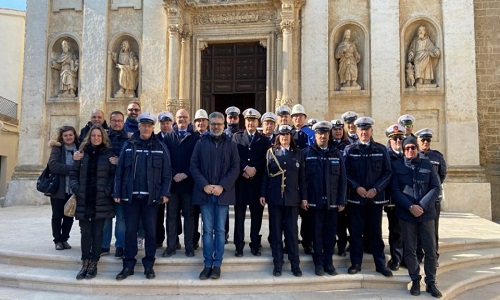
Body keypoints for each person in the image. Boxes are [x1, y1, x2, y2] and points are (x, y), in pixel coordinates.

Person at [114, 112, 172, 280]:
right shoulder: (129, 145)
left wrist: (165, 193)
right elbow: (120, 171)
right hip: (130, 197)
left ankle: (148, 266)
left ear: (153, 127)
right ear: (138, 126)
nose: (146, 128)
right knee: (130, 232)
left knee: (151, 233)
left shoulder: (160, 146)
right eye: (143, 125)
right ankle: (128, 265)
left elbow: (167, 173)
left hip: (151, 199)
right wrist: (117, 192)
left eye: (149, 126)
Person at [191, 112, 239, 280]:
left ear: (224, 125)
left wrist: (222, 186)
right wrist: (205, 184)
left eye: (219, 124)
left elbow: (235, 168)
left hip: (222, 194)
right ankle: (207, 264)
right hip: (205, 194)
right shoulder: (200, 143)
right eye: (213, 124)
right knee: (206, 230)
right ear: (208, 125)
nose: (216, 127)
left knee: (219, 231)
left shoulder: (231, 144)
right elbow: (194, 166)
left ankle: (217, 264)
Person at [391, 136, 442, 297]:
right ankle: (415, 279)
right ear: (403, 150)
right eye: (407, 148)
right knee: (410, 249)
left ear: (417, 149)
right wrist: (410, 206)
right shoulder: (397, 166)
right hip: (407, 214)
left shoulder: (428, 165)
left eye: (413, 148)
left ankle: (431, 282)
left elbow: (436, 187)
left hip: (426, 214)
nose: (410, 151)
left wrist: (421, 206)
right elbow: (395, 190)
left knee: (430, 250)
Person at [343, 117, 393, 277]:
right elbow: (345, 173)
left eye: (366, 129)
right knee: (356, 233)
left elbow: (388, 172)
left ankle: (380, 264)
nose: (364, 132)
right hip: (356, 199)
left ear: (371, 131)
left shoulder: (380, 149)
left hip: (374, 199)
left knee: (375, 233)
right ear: (357, 131)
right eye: (361, 130)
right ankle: (355, 263)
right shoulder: (350, 150)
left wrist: (376, 189)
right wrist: (356, 187)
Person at [260, 125, 307, 277]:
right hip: (275, 199)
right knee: (275, 233)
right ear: (278, 136)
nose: (285, 137)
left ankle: (295, 264)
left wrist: (304, 197)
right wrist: (263, 194)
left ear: (291, 137)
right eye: (282, 135)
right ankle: (278, 264)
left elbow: (302, 178)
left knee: (292, 234)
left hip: (293, 199)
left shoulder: (298, 153)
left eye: (287, 135)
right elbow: (266, 176)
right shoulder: (271, 153)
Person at [70, 125, 116, 280]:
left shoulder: (109, 154)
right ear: (89, 137)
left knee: (97, 234)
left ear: (103, 137)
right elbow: (73, 173)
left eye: (99, 136)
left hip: (101, 200)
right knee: (85, 233)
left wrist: (107, 191)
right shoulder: (81, 154)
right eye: (93, 136)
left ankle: (94, 263)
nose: (96, 138)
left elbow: (113, 176)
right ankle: (85, 262)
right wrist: (76, 188)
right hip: (84, 199)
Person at [303, 121, 347, 276]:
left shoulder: (336, 154)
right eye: (320, 133)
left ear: (328, 135)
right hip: (314, 203)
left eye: (325, 133)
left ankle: (329, 263)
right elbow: (302, 180)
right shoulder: (307, 153)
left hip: (332, 202)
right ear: (315, 135)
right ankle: (318, 264)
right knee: (316, 235)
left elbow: (343, 179)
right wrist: (304, 198)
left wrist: (341, 200)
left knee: (330, 234)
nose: (322, 136)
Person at [233, 108, 270, 257]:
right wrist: (245, 168)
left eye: (253, 120)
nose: (250, 123)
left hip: (256, 184)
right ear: (245, 122)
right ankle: (239, 246)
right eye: (248, 120)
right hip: (241, 183)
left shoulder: (264, 140)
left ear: (257, 122)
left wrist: (254, 168)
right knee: (239, 217)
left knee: (256, 217)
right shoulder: (236, 137)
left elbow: (265, 159)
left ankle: (255, 244)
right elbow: (234, 156)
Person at [163, 109, 200, 258]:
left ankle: (189, 246)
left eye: (184, 117)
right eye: (179, 117)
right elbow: (165, 159)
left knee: (190, 216)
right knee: (171, 216)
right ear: (175, 120)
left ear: (189, 119)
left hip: (188, 184)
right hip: (172, 184)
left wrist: (185, 173)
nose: (182, 119)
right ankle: (171, 245)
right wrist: (173, 174)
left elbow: (197, 160)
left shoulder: (196, 137)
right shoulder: (168, 137)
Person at [415, 128, 447, 266]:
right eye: (423, 140)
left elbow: (442, 175)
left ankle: (434, 255)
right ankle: (418, 255)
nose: (426, 142)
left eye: (428, 140)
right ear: (418, 141)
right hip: (418, 199)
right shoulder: (413, 155)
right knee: (416, 229)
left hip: (433, 200)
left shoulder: (437, 157)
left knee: (433, 229)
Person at [101, 111, 129, 258]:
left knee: (121, 216)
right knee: (106, 215)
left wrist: (120, 162)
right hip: (106, 181)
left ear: (123, 122)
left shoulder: (130, 138)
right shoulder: (103, 137)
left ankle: (120, 246)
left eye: (119, 121)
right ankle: (104, 245)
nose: (117, 123)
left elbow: (132, 159)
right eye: (114, 121)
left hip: (123, 182)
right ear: (110, 122)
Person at [47, 125, 79, 251]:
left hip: (73, 189)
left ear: (74, 135)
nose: (68, 137)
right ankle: (57, 240)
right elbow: (53, 165)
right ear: (62, 137)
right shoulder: (57, 148)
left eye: (70, 135)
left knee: (69, 215)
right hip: (59, 189)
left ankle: (65, 238)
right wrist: (73, 169)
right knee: (57, 215)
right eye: (65, 135)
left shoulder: (80, 147)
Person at [290, 104, 314, 254]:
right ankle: (291, 242)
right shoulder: (288, 133)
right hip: (292, 180)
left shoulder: (311, 133)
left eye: (300, 116)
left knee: (306, 215)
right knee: (291, 216)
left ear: (305, 118)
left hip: (307, 178)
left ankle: (307, 242)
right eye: (295, 116)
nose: (297, 118)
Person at [384, 124, 405, 271]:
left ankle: (408, 258)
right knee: (396, 230)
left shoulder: (410, 153)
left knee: (410, 231)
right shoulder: (386, 155)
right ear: (390, 140)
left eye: (400, 138)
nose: (398, 141)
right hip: (393, 200)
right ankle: (396, 258)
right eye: (395, 138)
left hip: (410, 199)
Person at [330, 119, 351, 256]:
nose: (337, 131)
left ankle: (342, 246)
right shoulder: (328, 145)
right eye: (335, 129)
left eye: (339, 129)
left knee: (343, 221)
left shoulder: (349, 146)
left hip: (344, 186)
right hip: (331, 187)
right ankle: (330, 245)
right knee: (331, 222)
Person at [155, 110, 174, 249]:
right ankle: (159, 239)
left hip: (176, 181)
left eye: (168, 123)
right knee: (158, 214)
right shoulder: (155, 139)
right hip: (159, 182)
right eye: (163, 123)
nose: (165, 126)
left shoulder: (175, 138)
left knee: (174, 214)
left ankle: (174, 240)